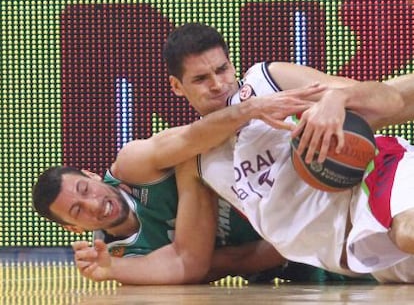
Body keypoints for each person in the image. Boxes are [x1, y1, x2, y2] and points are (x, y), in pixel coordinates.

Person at [33, 22, 410, 284]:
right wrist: (113, 272)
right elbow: (193, 262)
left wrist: (337, 98)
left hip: (372, 182)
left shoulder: (267, 80)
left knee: (407, 233)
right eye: (201, 79)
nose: (217, 84)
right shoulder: (197, 163)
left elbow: (388, 99)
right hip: (338, 250)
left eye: (222, 70)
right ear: (177, 88)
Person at [33, 85, 331, 285]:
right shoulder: (124, 259)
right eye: (78, 210)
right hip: (300, 254)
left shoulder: (132, 164)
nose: (95, 204)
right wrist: (315, 231)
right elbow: (236, 260)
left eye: (85, 190)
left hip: (296, 181)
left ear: (92, 175)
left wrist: (251, 108)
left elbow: (193, 138)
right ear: (73, 228)